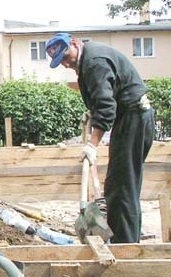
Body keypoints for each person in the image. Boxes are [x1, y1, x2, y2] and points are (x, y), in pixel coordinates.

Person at [46, 32, 154, 243]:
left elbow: (107, 107)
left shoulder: (94, 63)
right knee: (118, 185)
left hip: (134, 117)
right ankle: (124, 241)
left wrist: (92, 145)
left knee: (123, 187)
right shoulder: (87, 60)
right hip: (131, 117)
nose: (66, 64)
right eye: (61, 62)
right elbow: (103, 97)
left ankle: (126, 247)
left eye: (66, 57)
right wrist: (92, 111)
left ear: (75, 43)